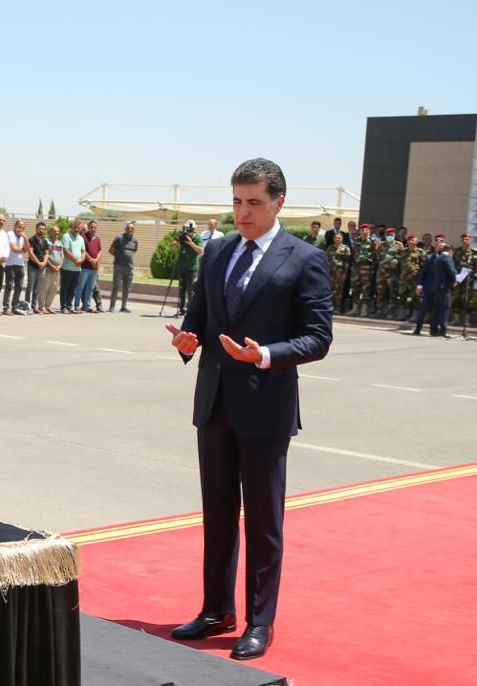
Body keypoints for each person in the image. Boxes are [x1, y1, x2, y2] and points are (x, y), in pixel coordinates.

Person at [165, 158, 332, 661]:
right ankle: (216, 609)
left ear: (279, 201)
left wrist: (265, 355)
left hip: (265, 406)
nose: (243, 212)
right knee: (217, 516)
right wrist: (185, 341)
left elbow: (319, 337)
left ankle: (261, 620)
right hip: (214, 404)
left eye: (254, 203)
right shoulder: (215, 254)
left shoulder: (303, 259)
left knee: (263, 521)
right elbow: (197, 316)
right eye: (237, 201)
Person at [413, 234, 457, 337]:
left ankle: (433, 330)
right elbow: (423, 272)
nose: (439, 243)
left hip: (438, 288)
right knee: (424, 308)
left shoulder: (446, 257)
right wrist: (419, 285)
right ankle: (418, 328)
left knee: (437, 310)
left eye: (441, 241)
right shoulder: (430, 258)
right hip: (429, 287)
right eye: (437, 241)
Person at [172, 220, 203, 316]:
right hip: (182, 266)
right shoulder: (182, 236)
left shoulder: (197, 238)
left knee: (191, 290)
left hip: (192, 268)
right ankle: (181, 309)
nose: (188, 232)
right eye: (187, 229)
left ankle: (191, 310)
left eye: (190, 230)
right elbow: (172, 246)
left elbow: (201, 251)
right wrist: (177, 241)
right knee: (182, 288)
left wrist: (191, 243)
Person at [374, 227, 404, 319]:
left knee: (392, 293)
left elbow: (402, 257)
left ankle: (391, 312)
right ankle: (379, 311)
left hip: (392, 273)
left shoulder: (399, 245)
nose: (389, 236)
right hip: (382, 272)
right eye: (388, 235)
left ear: (394, 235)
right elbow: (377, 256)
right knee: (380, 293)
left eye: (391, 235)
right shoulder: (381, 245)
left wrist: (396, 260)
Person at [109, 221, 138, 312]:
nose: (130, 230)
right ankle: (112, 306)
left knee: (127, 288)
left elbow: (134, 251)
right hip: (119, 267)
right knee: (116, 287)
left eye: (132, 228)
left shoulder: (135, 240)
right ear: (125, 229)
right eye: (128, 228)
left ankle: (123, 306)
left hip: (129, 268)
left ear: (134, 230)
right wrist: (119, 256)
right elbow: (111, 250)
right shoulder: (119, 238)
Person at [349, 223, 377, 317]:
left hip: (367, 268)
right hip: (356, 267)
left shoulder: (372, 241)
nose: (364, 231)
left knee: (366, 289)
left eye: (366, 230)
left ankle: (364, 309)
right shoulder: (356, 241)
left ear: (368, 231)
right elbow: (353, 253)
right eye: (362, 230)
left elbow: (375, 255)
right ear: (360, 231)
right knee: (355, 288)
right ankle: (355, 308)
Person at [2, 219, 27, 315]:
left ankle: (15, 306)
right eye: (19, 227)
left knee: (19, 287)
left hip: (20, 264)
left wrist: (25, 238)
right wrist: (23, 249)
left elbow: (28, 249)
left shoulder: (23, 236)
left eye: (22, 228)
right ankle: (6, 307)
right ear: (15, 226)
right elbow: (14, 249)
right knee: (9, 286)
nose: (20, 229)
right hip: (10, 264)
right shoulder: (10, 234)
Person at [60, 220, 85, 313]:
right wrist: (76, 260)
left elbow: (83, 251)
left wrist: (81, 260)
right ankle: (63, 307)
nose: (77, 229)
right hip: (67, 268)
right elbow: (65, 251)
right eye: (75, 227)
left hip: (77, 268)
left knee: (73, 288)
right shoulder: (66, 236)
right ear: (71, 227)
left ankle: (70, 306)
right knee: (65, 288)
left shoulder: (81, 238)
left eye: (79, 228)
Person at [39, 225, 64, 313]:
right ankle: (41, 306)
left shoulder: (59, 243)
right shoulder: (46, 242)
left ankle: (48, 306)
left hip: (57, 270)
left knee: (54, 288)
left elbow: (62, 256)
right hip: (48, 269)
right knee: (44, 288)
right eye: (54, 231)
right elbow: (44, 256)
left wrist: (60, 265)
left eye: (57, 231)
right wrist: (51, 266)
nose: (56, 233)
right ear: (50, 232)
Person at [26, 221, 50, 312]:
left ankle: (34, 306)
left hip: (42, 268)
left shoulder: (45, 241)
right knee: (30, 287)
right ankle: (27, 305)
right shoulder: (31, 240)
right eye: (40, 229)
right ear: (36, 229)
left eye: (43, 229)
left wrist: (44, 263)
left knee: (37, 288)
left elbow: (47, 254)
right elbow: (31, 253)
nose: (41, 230)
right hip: (33, 266)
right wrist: (38, 263)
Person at [79, 220, 102, 313]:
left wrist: (96, 260)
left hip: (94, 268)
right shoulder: (82, 237)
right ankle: (78, 305)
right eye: (91, 227)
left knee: (91, 288)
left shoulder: (97, 238)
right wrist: (91, 260)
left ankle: (88, 306)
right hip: (85, 266)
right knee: (80, 287)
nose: (93, 229)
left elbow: (100, 250)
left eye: (95, 227)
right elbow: (83, 251)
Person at [326, 231, 351, 309]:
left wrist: (344, 273)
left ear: (342, 239)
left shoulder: (345, 248)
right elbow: (326, 259)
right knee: (329, 290)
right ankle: (328, 306)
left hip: (339, 273)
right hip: (330, 272)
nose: (337, 239)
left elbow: (347, 261)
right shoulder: (330, 247)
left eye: (339, 238)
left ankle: (337, 308)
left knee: (338, 291)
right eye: (335, 238)